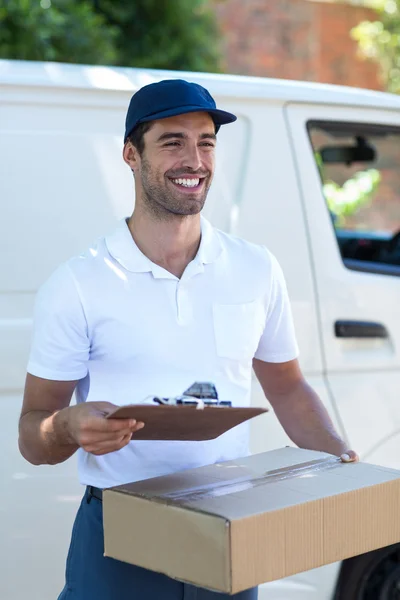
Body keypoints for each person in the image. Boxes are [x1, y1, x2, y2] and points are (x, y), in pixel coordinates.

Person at [18, 79, 358, 600]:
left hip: (226, 527)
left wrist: (338, 461)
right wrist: (67, 426)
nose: (194, 158)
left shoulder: (255, 268)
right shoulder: (79, 283)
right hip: (119, 534)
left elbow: (287, 388)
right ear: (131, 154)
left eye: (206, 142)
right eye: (173, 141)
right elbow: (32, 435)